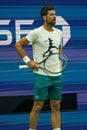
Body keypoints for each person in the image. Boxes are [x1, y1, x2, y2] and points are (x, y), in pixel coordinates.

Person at [15, 5, 63, 130]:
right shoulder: (36, 33)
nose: (54, 17)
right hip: (42, 75)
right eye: (51, 15)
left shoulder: (59, 33)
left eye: (55, 14)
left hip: (57, 75)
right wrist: (28, 61)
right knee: (37, 106)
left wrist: (60, 60)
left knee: (56, 106)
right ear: (44, 17)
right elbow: (18, 45)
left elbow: (59, 49)